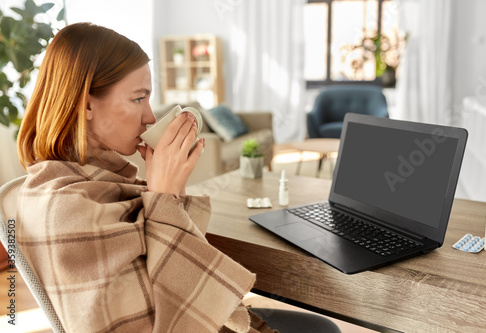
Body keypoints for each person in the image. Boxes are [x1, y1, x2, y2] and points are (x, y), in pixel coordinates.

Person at [16, 22, 340, 333]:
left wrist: (172, 192)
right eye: (138, 98)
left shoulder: (102, 181)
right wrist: (163, 198)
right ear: (86, 103)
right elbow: (157, 320)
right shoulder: (66, 206)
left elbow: (165, 267)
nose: (150, 117)